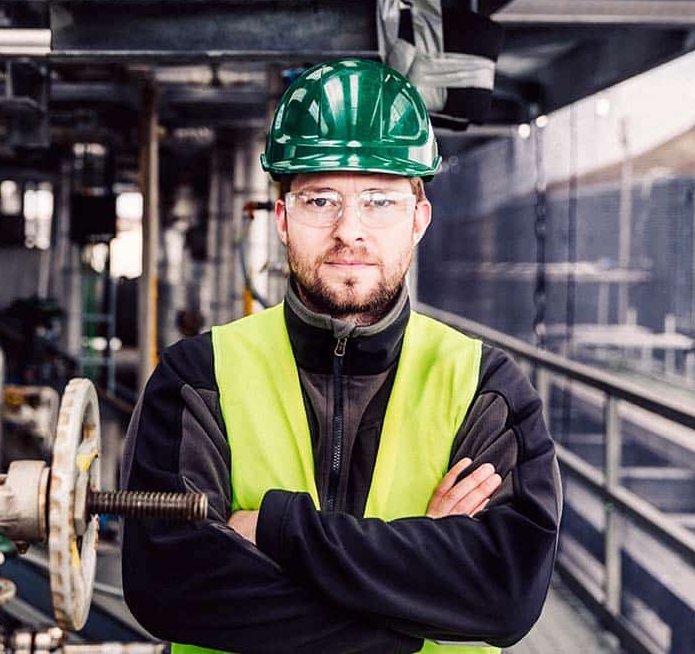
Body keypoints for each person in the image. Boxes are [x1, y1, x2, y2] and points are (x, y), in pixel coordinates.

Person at [119, 59, 561, 654]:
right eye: (320, 200)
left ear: (418, 219)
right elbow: (171, 588)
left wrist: (276, 530)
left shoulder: (484, 388)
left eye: (379, 201)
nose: (349, 230)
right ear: (281, 218)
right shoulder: (198, 378)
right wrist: (416, 589)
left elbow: (503, 594)